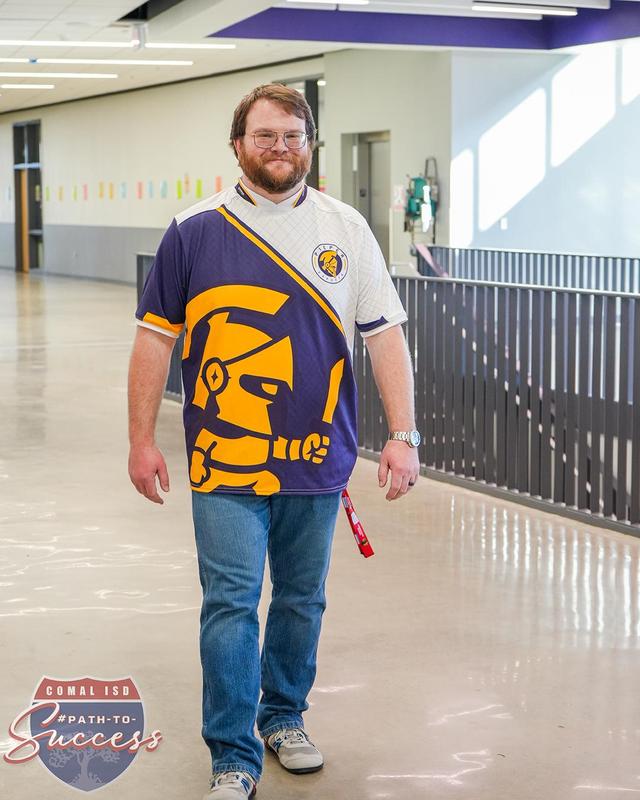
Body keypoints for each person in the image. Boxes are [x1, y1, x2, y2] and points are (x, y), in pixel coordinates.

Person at [128, 83, 421, 800]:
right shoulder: (193, 228)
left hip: (319, 460)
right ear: (237, 144)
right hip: (223, 458)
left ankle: (283, 716)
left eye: (292, 136)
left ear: (309, 144)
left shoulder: (346, 228)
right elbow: (152, 342)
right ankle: (232, 755)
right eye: (265, 136)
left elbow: (385, 337)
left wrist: (403, 434)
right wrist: (140, 440)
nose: (280, 148)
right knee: (230, 603)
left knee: (300, 599)